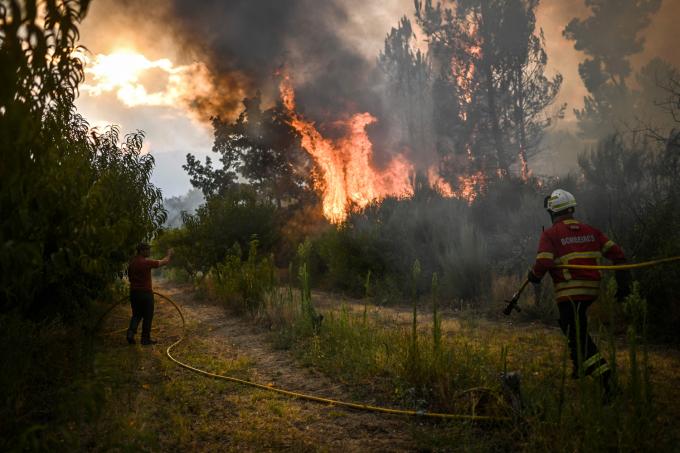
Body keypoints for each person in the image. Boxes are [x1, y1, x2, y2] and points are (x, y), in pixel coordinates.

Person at [528, 189, 630, 397]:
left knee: (576, 335)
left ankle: (606, 379)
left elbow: (544, 261)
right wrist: (623, 286)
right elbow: (619, 256)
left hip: (570, 291)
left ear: (552, 213)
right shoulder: (592, 231)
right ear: (571, 209)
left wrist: (535, 276)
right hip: (591, 290)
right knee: (574, 325)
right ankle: (579, 367)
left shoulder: (550, 234)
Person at [127, 243, 173, 345]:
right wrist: (169, 254)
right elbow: (164, 261)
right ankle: (145, 339)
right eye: (148, 250)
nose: (149, 252)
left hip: (134, 293)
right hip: (146, 294)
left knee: (136, 315)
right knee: (148, 316)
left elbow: (130, 277)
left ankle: (130, 333)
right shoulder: (146, 262)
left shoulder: (132, 262)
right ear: (142, 251)